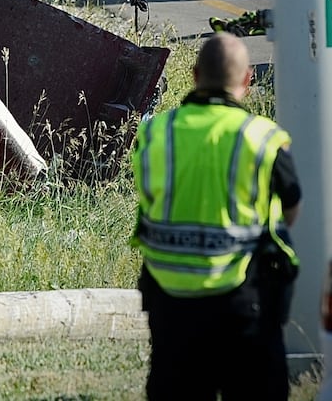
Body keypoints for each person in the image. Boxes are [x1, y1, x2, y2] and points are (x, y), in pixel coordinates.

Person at [131, 33, 301, 401]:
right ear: (248, 81)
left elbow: (148, 196)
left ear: (194, 75)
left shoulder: (156, 132)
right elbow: (291, 205)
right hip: (243, 304)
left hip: (171, 304)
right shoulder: (262, 138)